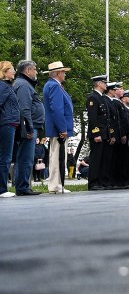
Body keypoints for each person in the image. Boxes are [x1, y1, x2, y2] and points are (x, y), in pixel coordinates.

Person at [42, 61, 75, 194]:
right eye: (63, 72)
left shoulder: (53, 85)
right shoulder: (54, 86)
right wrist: (62, 129)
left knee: (56, 156)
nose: (64, 74)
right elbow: (57, 109)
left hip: (57, 127)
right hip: (59, 128)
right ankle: (56, 185)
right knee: (57, 157)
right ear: (57, 73)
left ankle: (57, 184)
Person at [13, 60, 43, 196]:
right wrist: (29, 129)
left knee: (26, 157)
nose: (36, 72)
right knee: (25, 157)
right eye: (35, 69)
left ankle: (23, 186)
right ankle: (23, 187)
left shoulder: (24, 84)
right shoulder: (24, 85)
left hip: (32, 126)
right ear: (28, 71)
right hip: (29, 128)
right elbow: (24, 109)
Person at [0, 61, 19, 198]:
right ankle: (2, 189)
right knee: (5, 157)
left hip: (9, 123)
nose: (14, 71)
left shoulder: (8, 86)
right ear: (5, 72)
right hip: (6, 124)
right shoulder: (3, 86)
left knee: (6, 156)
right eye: (12, 69)